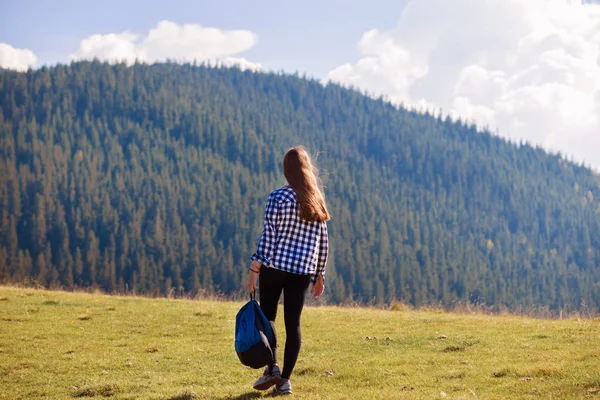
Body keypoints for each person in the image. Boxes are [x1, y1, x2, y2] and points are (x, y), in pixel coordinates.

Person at [247, 146, 330, 396]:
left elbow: (268, 238)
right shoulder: (315, 200)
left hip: (274, 268)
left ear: (286, 170)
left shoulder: (278, 197)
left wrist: (254, 268)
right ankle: (284, 381)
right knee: (293, 323)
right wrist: (319, 274)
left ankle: (271, 367)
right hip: (302, 272)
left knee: (268, 318)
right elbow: (322, 241)